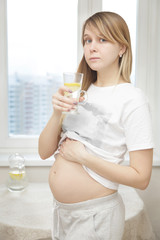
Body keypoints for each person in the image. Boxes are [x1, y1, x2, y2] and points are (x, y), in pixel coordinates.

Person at [38, 11, 154, 240]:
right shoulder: (81, 91)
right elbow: (43, 152)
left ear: (122, 48)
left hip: (96, 217)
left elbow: (142, 178)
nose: (92, 47)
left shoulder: (132, 98)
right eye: (87, 40)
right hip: (62, 213)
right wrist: (56, 114)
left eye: (102, 39)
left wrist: (84, 158)